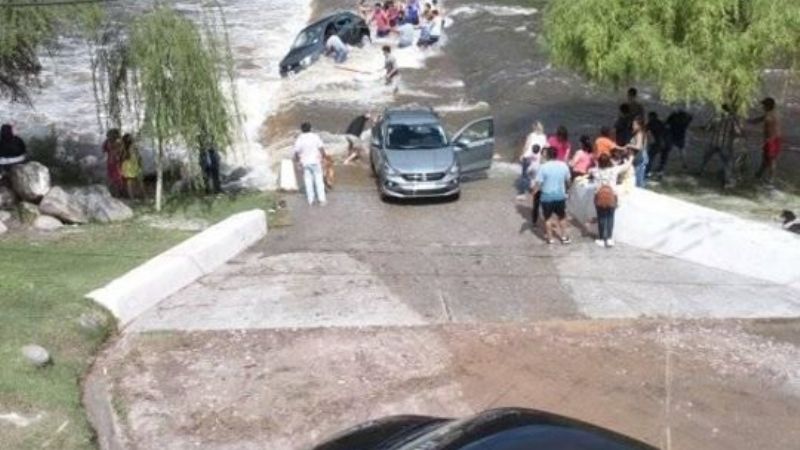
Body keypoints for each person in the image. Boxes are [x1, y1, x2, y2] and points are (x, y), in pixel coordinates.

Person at [589, 153, 632, 248]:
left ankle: (601, 239)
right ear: (609, 161)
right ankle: (609, 239)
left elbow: (590, 171)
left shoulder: (594, 171)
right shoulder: (614, 170)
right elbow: (626, 166)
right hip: (612, 196)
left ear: (599, 162)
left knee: (601, 217)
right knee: (610, 217)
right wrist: (631, 157)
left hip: (599, 196)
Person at [532, 146, 572, 245]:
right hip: (560, 196)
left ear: (548, 155)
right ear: (556, 155)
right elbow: (568, 180)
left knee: (548, 219)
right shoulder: (563, 165)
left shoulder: (543, 167)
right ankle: (564, 237)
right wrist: (568, 191)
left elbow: (538, 183)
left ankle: (550, 239)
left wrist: (534, 192)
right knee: (562, 217)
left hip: (546, 197)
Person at [700, 104, 741, 188]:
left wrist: (705, 128)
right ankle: (727, 181)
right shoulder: (732, 120)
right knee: (727, 162)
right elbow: (737, 132)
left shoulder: (716, 118)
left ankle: (701, 171)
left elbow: (707, 128)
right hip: (724, 144)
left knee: (706, 157)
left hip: (714, 142)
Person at [750, 97, 782, 184]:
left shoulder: (769, 116)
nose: (762, 107)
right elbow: (758, 120)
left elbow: (770, 130)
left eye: (764, 105)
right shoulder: (771, 113)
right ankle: (759, 174)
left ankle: (771, 178)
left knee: (771, 159)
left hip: (772, 140)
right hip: (773, 139)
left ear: (768, 106)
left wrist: (768, 140)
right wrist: (749, 121)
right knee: (765, 158)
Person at [293, 122, 327, 206]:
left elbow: (296, 152)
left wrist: (298, 161)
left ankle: (311, 200)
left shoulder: (300, 139)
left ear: (301, 130)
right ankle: (322, 200)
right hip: (316, 161)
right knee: (319, 181)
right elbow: (321, 148)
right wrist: (324, 157)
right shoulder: (315, 137)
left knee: (308, 182)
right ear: (310, 128)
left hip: (305, 163)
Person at [120, 133, 144, 199]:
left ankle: (132, 196)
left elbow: (122, 158)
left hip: (128, 166)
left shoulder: (124, 148)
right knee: (133, 181)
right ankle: (134, 196)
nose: (132, 139)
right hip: (131, 165)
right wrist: (140, 163)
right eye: (131, 138)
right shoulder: (131, 147)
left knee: (130, 182)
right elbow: (138, 156)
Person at [645, 111, 667, 179]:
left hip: (655, 143)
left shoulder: (650, 123)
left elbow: (645, 130)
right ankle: (660, 173)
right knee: (662, 158)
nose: (648, 118)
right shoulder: (660, 123)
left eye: (649, 117)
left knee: (650, 158)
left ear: (651, 117)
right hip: (663, 142)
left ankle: (647, 172)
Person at [102, 128, 123, 196]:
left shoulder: (114, 142)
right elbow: (104, 150)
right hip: (113, 161)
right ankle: (115, 192)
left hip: (113, 161)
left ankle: (115, 192)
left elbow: (104, 150)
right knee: (114, 177)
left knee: (114, 177)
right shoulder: (110, 142)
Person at [627, 117, 648, 188]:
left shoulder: (639, 134)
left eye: (634, 125)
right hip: (638, 157)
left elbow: (639, 147)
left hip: (640, 157)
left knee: (638, 180)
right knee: (637, 178)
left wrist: (629, 145)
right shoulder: (637, 133)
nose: (633, 126)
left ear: (639, 126)